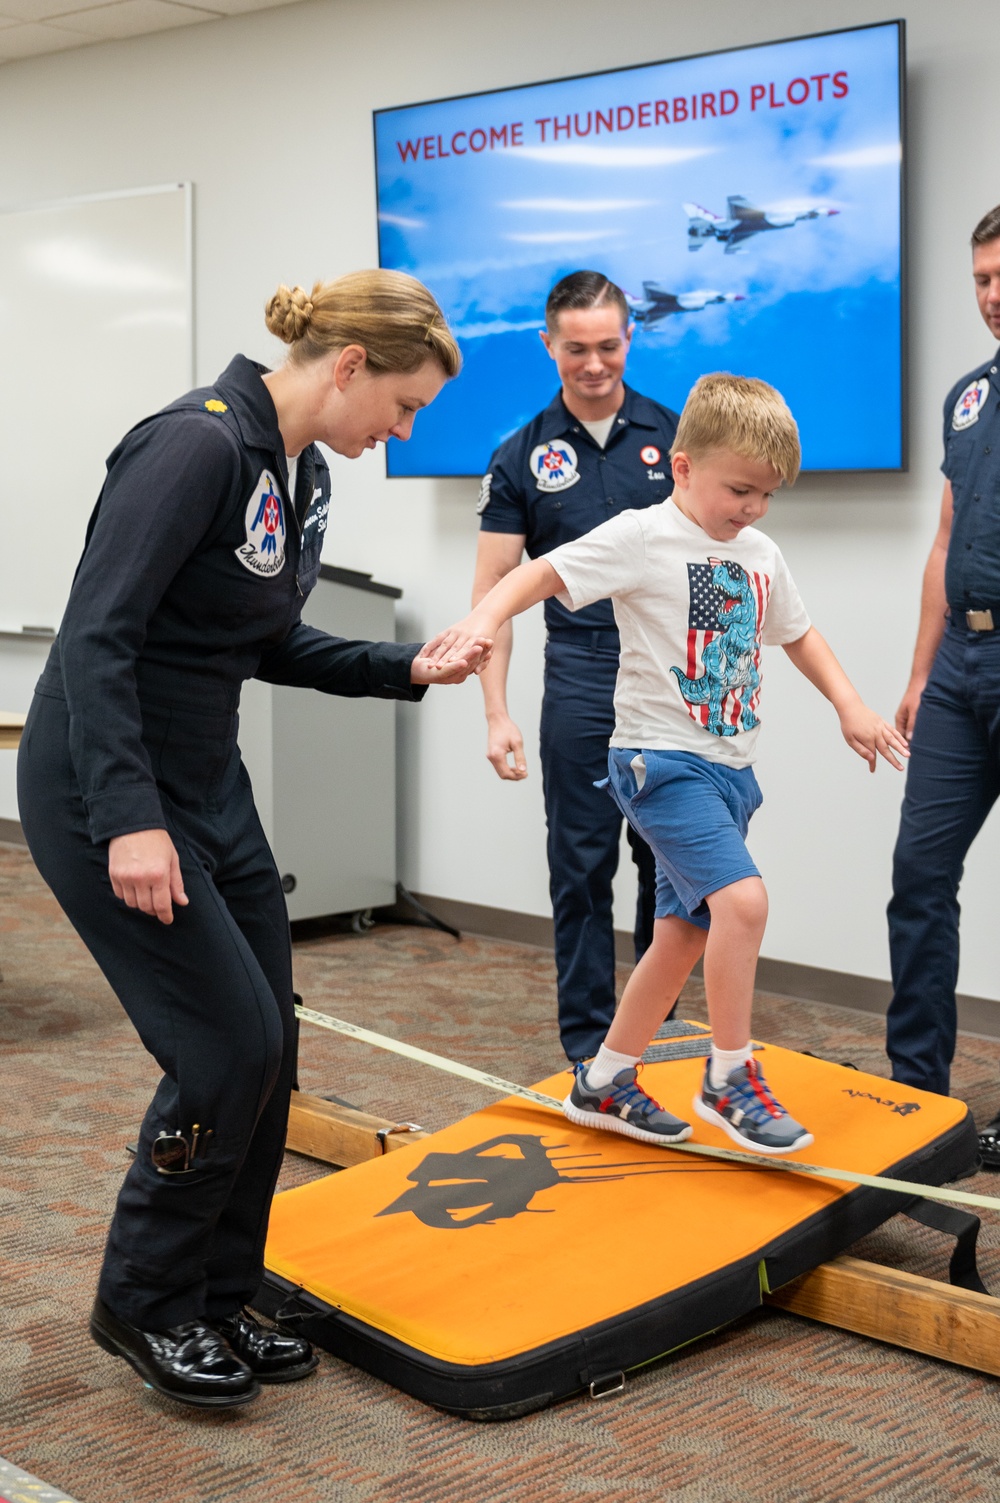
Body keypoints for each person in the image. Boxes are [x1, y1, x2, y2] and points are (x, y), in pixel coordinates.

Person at [16, 271, 488, 1409]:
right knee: (222, 1045)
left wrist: (401, 667)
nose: (402, 433)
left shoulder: (299, 470)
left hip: (206, 781)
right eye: (406, 406)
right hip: (106, 784)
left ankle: (221, 1290)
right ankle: (144, 1297)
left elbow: (261, 639)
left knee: (267, 1041)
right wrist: (128, 820)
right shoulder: (193, 448)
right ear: (350, 367)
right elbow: (96, 639)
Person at [435, 374, 907, 1154]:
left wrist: (848, 704)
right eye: (740, 489)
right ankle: (729, 1076)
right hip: (659, 761)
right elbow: (539, 572)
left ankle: (606, 1077)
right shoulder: (641, 535)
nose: (752, 508)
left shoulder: (759, 550)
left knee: (683, 933)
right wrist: (483, 615)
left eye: (766, 494)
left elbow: (799, 633)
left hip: (731, 770)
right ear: (683, 468)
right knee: (744, 903)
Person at [473, 270, 679, 1063]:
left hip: (667, 679)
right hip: (582, 678)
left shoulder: (676, 436)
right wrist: (496, 712)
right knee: (582, 865)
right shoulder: (520, 456)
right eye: (576, 349)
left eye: (608, 346)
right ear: (548, 345)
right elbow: (491, 595)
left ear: (630, 337)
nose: (594, 365)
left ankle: (648, 1034)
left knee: (669, 864)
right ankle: (591, 1048)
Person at [887, 204, 1000, 1163]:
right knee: (920, 878)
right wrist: (921, 672)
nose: (993, 296)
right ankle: (916, 1102)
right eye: (981, 280)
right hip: (962, 670)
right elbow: (943, 540)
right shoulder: (968, 396)